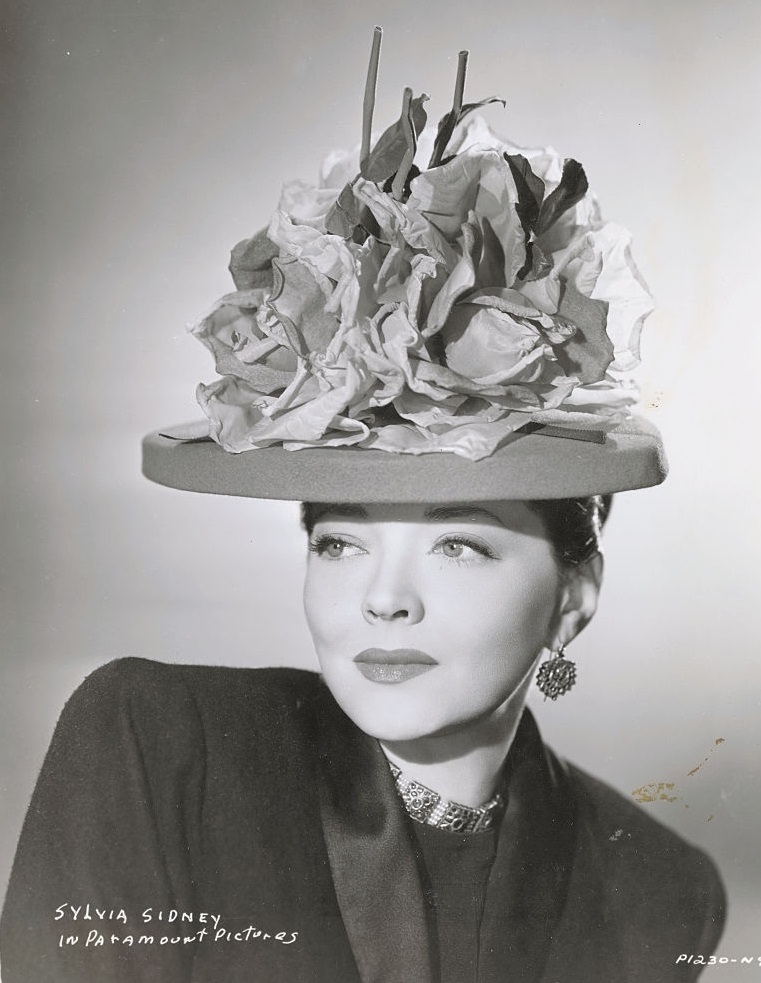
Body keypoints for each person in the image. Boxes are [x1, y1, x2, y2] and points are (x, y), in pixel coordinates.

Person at [1, 33, 725, 983]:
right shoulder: (159, 740)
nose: (382, 600)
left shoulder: (659, 889)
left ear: (575, 592)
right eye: (339, 541)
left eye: (459, 547)